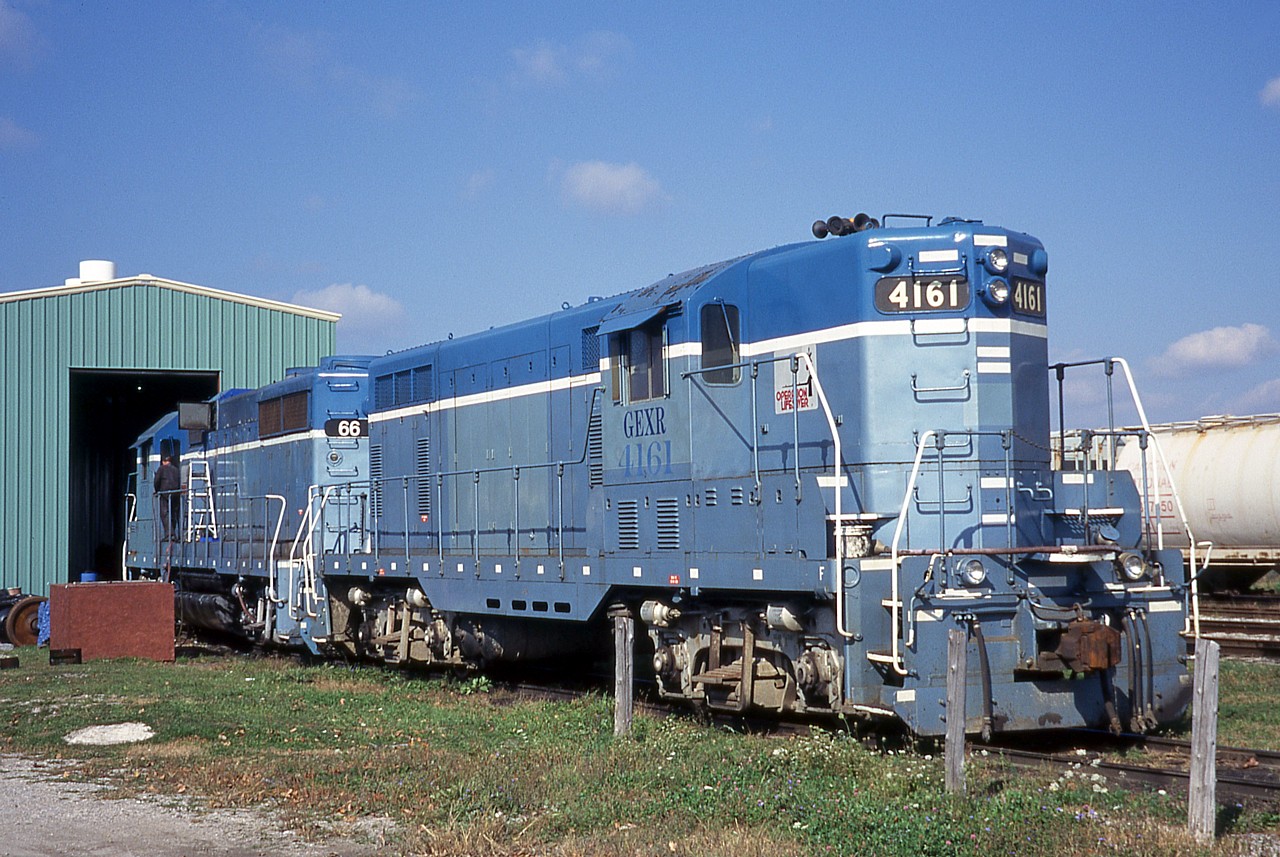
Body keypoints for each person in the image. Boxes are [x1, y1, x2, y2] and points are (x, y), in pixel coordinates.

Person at [154, 454, 182, 542]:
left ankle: (169, 534)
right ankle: (175, 533)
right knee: (173, 513)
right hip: (175, 493)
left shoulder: (161, 469)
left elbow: (156, 481)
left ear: (163, 461)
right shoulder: (176, 469)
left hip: (165, 493)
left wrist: (157, 490)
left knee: (164, 513)